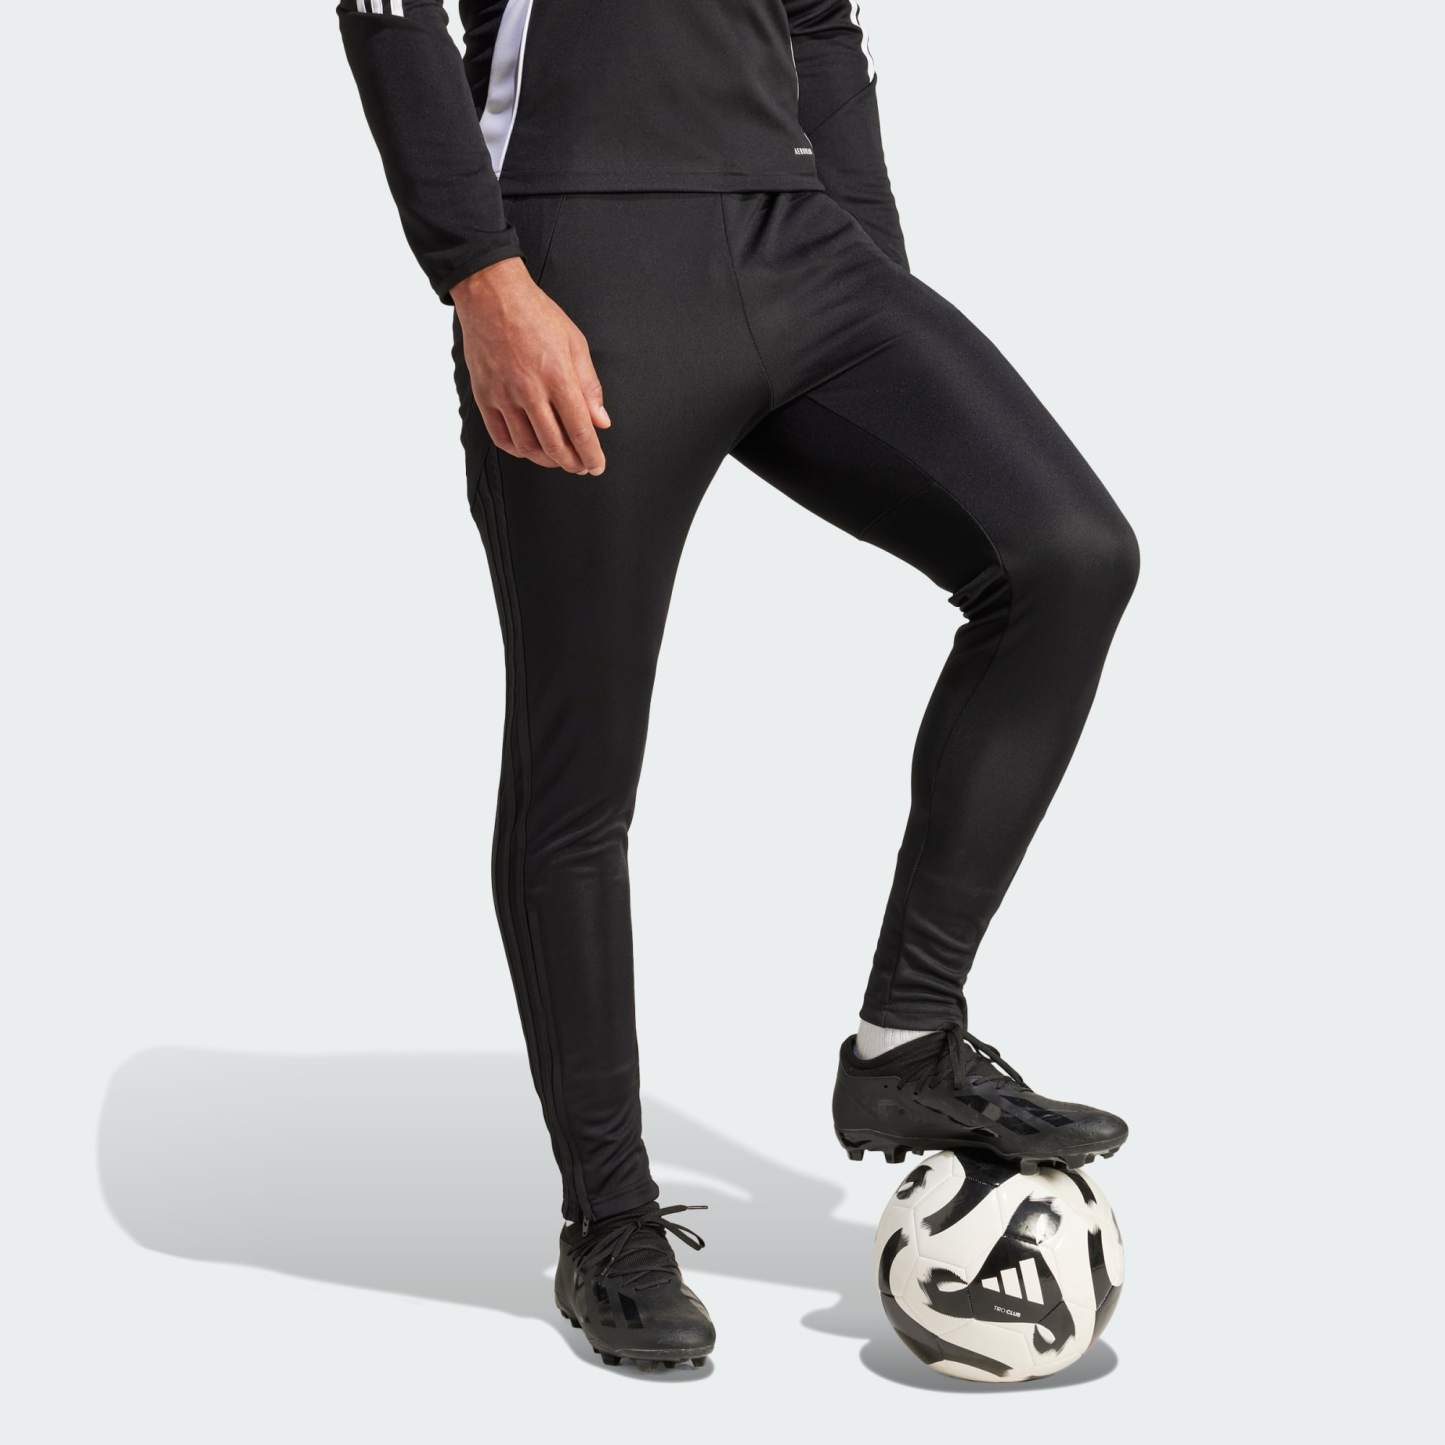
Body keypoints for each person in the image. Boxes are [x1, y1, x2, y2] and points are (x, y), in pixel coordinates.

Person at [338, 0, 1139, 1370]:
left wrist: (872, 273)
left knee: (1068, 558)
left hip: (800, 240)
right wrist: (481, 274)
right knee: (580, 772)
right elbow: (389, 11)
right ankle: (609, 1222)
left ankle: (907, 1044)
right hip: (582, 256)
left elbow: (817, 21)